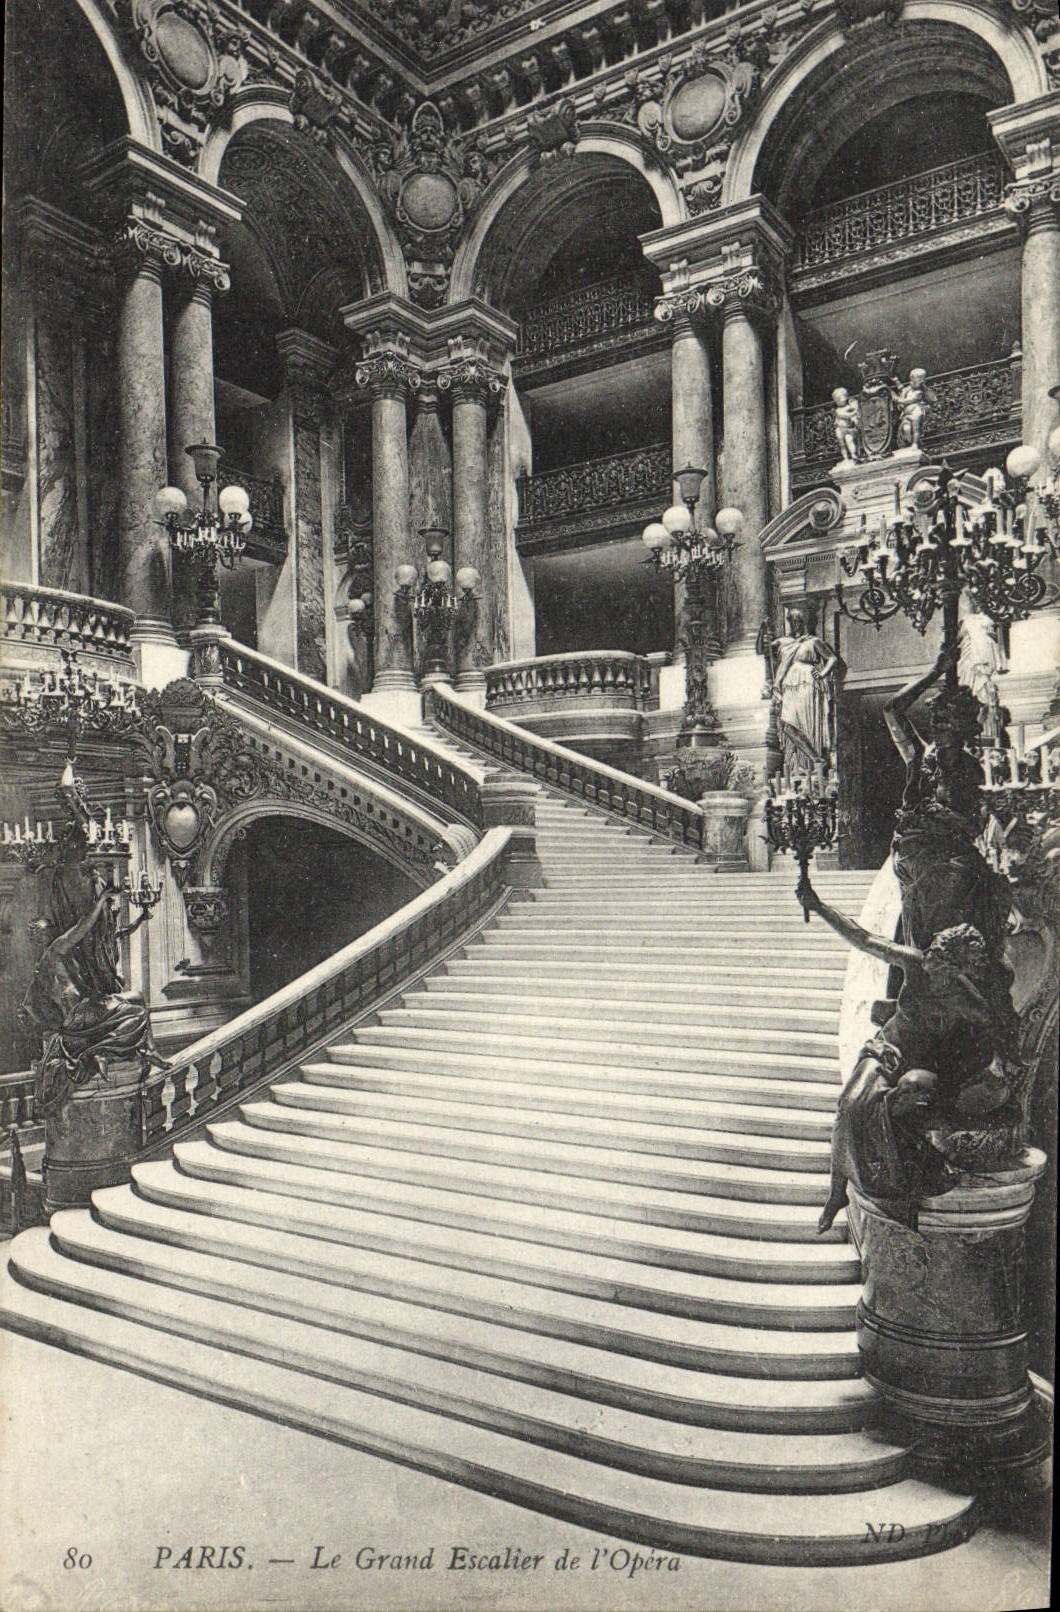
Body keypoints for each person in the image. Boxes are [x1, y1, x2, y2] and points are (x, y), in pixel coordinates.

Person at [798, 874, 1022, 1232]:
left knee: (883, 1111)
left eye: (936, 961)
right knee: (849, 1104)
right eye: (929, 953)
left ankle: (883, 1190)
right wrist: (820, 907)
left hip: (919, 1069)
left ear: (957, 971)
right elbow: (865, 939)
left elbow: (1001, 1033)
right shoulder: (916, 963)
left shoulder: (968, 1002)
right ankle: (836, 1192)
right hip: (884, 1050)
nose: (926, 961)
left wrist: (998, 1070)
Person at [771, 609, 842, 778]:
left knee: (808, 724)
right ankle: (816, 759)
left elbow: (832, 658)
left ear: (804, 622)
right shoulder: (784, 642)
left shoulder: (813, 641)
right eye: (793, 621)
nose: (797, 624)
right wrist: (763, 631)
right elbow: (762, 649)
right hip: (789, 684)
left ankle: (813, 766)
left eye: (799, 621)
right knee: (787, 724)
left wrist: (823, 673)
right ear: (789, 622)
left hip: (808, 684)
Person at [832, 387, 860, 461]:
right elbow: (846, 415)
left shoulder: (848, 407)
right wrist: (855, 411)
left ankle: (853, 454)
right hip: (839, 429)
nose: (841, 400)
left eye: (842, 398)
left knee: (849, 440)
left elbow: (853, 415)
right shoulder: (838, 410)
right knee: (842, 444)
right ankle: (845, 457)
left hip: (848, 428)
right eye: (838, 399)